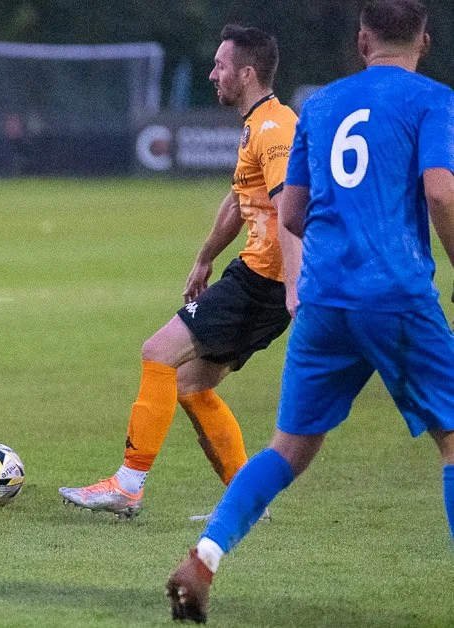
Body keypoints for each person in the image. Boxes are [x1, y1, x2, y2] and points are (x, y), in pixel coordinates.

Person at [167, 1, 454, 622]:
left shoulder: (319, 106)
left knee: (287, 449)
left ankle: (205, 556)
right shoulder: (433, 100)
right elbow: (439, 190)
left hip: (324, 300)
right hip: (397, 293)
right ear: (424, 41)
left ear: (361, 39)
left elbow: (290, 213)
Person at [60, 25, 298, 519]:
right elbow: (239, 202)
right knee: (190, 383)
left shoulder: (275, 130)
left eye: (221, 66)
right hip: (262, 281)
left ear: (247, 73)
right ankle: (248, 502)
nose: (213, 74)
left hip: (262, 281)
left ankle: (127, 486)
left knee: (158, 353)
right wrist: (205, 257)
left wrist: (294, 284)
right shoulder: (259, 123)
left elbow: (290, 206)